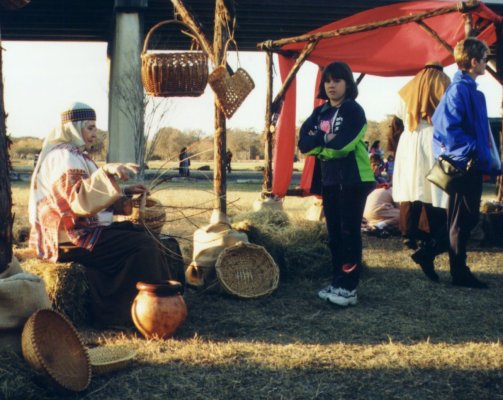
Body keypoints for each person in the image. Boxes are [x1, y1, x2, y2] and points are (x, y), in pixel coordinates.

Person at [28, 102, 185, 326]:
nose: (95, 133)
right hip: (67, 239)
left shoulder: (74, 155)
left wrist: (125, 193)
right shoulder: (63, 157)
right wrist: (106, 172)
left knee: (141, 234)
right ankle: (140, 313)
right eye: (90, 127)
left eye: (95, 128)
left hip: (79, 231)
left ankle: (155, 304)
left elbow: (89, 200)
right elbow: (78, 203)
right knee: (142, 245)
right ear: (73, 128)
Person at [298, 61, 374, 306]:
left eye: (337, 80)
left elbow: (342, 145)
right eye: (327, 80)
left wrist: (319, 141)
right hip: (329, 180)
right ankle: (337, 281)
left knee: (348, 233)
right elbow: (303, 143)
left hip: (354, 180)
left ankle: (349, 288)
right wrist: (325, 139)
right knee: (334, 235)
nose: (331, 85)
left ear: (347, 83)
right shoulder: (320, 112)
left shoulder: (354, 110)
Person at [430, 38, 501, 288]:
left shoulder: (467, 89)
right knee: (463, 221)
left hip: (472, 163)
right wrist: (474, 150)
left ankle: (428, 254)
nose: (486, 62)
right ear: (474, 61)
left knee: (464, 219)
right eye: (484, 58)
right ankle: (459, 273)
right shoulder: (459, 90)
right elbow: (447, 128)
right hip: (465, 164)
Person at [391, 62, 451, 255]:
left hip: (410, 138)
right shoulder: (444, 83)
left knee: (411, 187)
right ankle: (431, 234)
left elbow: (398, 115)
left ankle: (408, 233)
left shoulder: (408, 88)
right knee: (433, 187)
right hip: (433, 139)